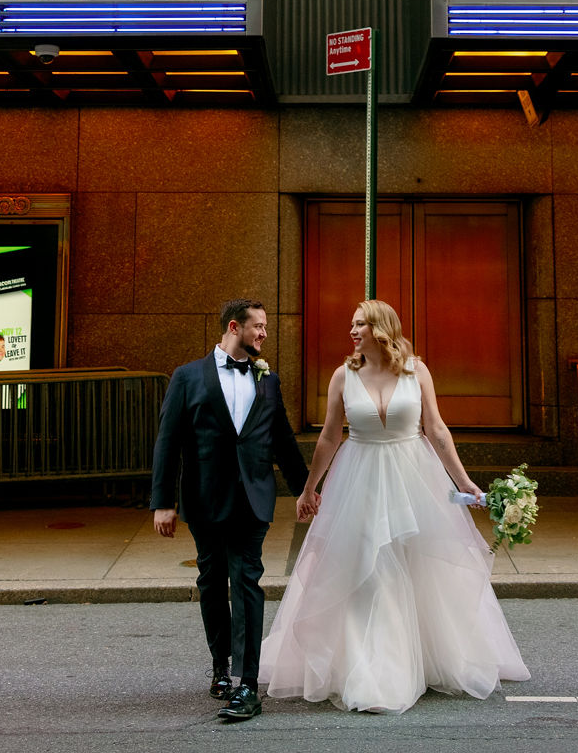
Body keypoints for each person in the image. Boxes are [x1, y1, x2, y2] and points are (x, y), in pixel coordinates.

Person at [261, 299, 529, 714]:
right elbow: (330, 437)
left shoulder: (416, 370)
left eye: (361, 323)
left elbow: (436, 430)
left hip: (412, 477)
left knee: (419, 568)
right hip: (360, 480)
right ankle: (372, 668)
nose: (352, 331)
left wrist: (464, 482)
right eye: (351, 324)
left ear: (382, 327)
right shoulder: (342, 376)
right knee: (368, 569)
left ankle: (424, 660)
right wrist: (310, 489)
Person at [150, 299, 310, 724]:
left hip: (252, 498)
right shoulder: (187, 377)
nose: (263, 335)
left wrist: (308, 490)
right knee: (211, 580)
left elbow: (283, 443)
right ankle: (221, 666)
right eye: (258, 327)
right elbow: (169, 441)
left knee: (247, 583)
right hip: (204, 499)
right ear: (234, 327)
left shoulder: (268, 380)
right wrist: (163, 502)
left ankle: (246, 684)